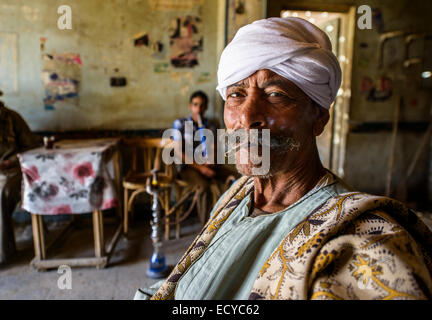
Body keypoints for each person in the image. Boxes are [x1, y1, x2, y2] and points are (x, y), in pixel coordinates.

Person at [136, 17, 432, 300]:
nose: (246, 117)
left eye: (275, 94)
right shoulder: (238, 193)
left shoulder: (361, 240)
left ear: (319, 118)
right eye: (236, 94)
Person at [172, 90, 237, 225]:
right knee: (204, 188)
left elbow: (213, 148)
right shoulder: (180, 124)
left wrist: (212, 161)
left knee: (238, 181)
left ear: (206, 107)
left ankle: (229, 221)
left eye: (202, 105)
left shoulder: (211, 125)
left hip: (208, 165)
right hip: (188, 167)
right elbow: (178, 152)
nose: (198, 109)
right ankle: (205, 227)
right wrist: (201, 168)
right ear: (190, 106)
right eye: (195, 105)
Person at [0, 91, 41, 265]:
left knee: (1, 193)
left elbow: (31, 146)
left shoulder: (12, 118)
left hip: (11, 170)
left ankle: (4, 253)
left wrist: (10, 162)